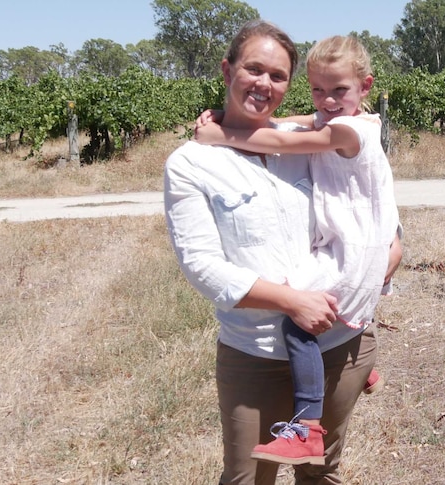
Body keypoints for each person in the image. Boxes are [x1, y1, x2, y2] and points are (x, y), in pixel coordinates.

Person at [163, 20, 401, 485]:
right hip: (256, 353)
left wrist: (392, 248)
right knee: (248, 478)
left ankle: (358, 374)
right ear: (228, 69)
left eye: (278, 76)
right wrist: (292, 301)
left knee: (320, 472)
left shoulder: (308, 143)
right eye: (254, 69)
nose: (265, 83)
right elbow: (202, 267)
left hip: (341, 342)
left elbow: (366, 200)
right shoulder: (191, 162)